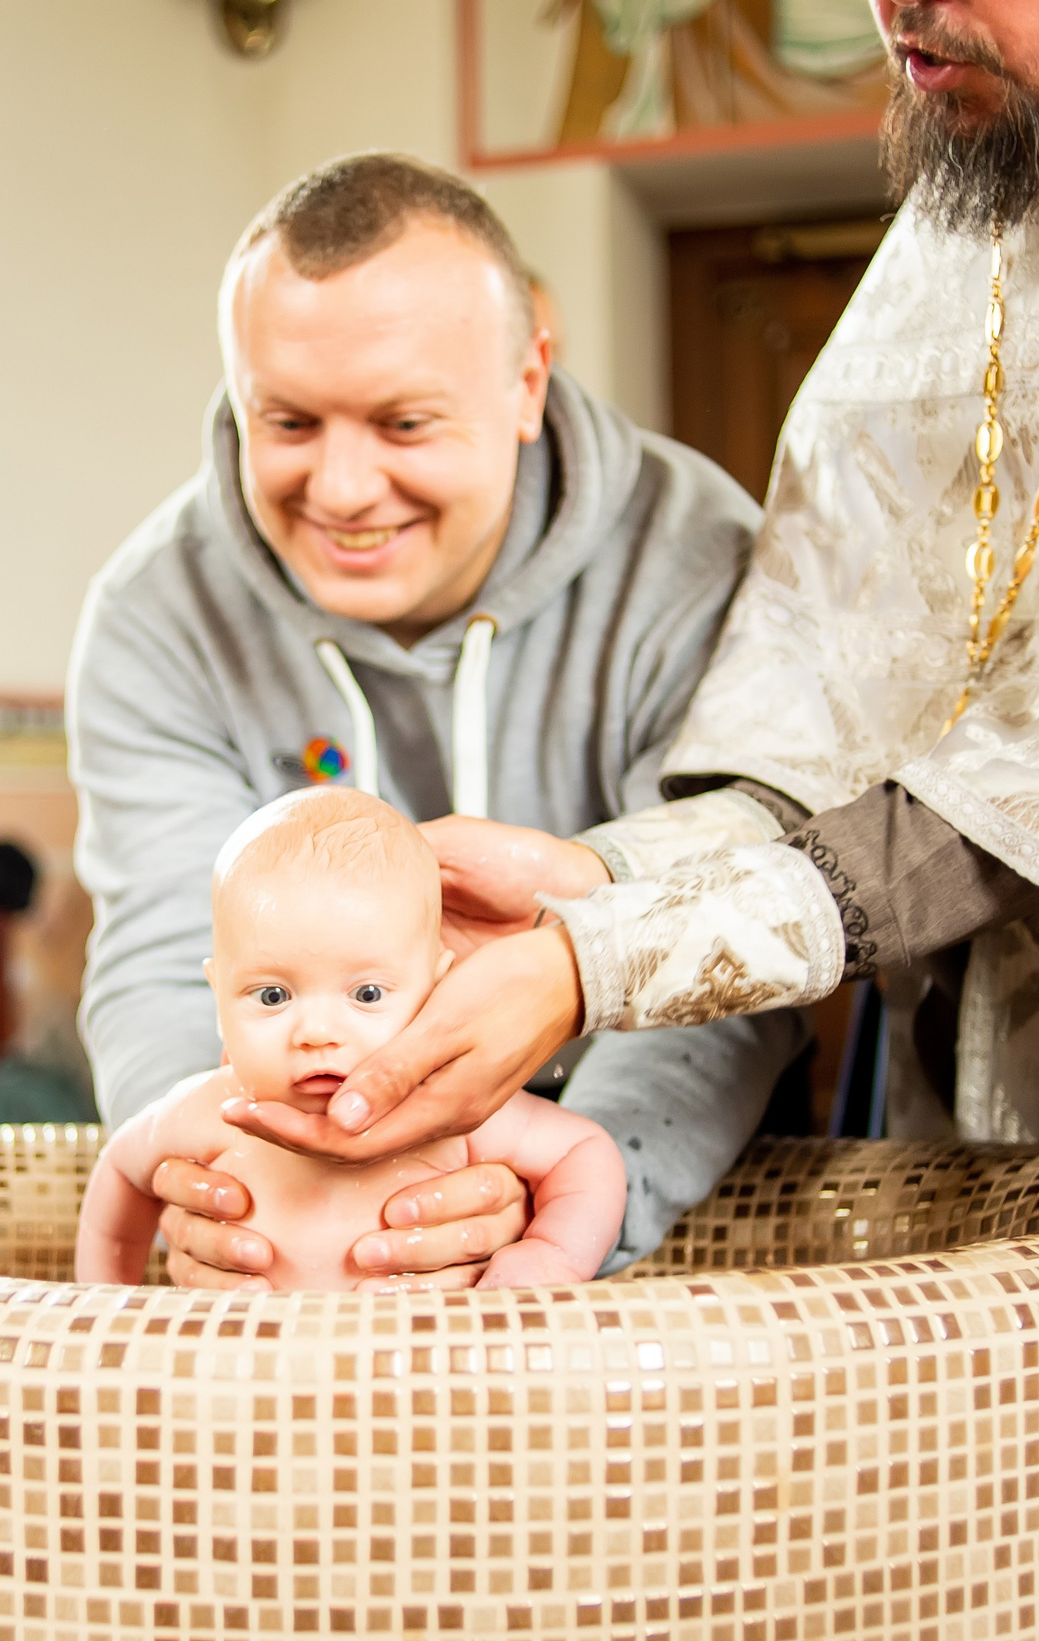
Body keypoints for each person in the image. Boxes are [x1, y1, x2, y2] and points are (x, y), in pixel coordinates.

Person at [211, 0, 1039, 1186]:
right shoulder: (992, 208)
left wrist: (599, 958)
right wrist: (603, 875)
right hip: (1029, 1175)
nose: (899, 9)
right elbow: (854, 732)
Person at [69, 152, 809, 1290]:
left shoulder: (700, 560)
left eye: (404, 423)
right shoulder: (151, 614)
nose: (345, 488)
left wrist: (561, 1208)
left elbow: (728, 928)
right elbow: (168, 952)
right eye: (289, 422)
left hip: (646, 1193)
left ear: (526, 382)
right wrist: (209, 1195)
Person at [75, 789, 622, 1289]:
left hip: (432, 1384)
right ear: (219, 1000)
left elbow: (585, 1152)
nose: (316, 1033)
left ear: (438, 986)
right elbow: (121, 1171)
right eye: (271, 996)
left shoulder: (454, 1114)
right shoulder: (210, 1112)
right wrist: (106, 1306)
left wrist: (551, 1254)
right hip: (251, 1382)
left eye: (365, 995)